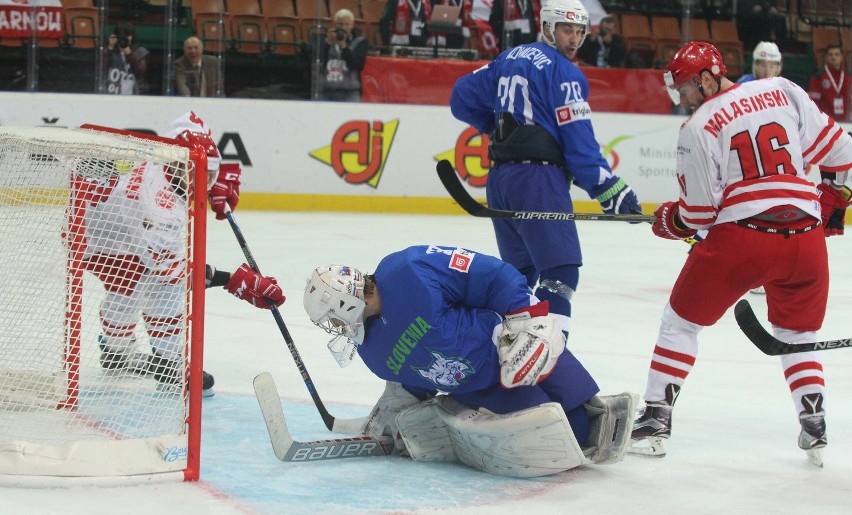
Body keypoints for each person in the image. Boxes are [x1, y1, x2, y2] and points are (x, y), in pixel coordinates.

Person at [629, 42, 852, 467]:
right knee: (798, 334)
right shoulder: (784, 90)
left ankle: (655, 420)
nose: (682, 99)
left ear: (708, 78)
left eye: (685, 89)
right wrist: (834, 198)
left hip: (745, 239)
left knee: (681, 323)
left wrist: (668, 222)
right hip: (807, 239)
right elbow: (844, 153)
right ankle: (814, 419)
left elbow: (697, 214)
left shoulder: (699, 126)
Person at [303, 245, 638, 476]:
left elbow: (488, 275)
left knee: (597, 422)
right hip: (482, 389)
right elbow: (412, 378)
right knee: (578, 434)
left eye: (332, 318)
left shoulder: (407, 269)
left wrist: (527, 317)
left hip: (510, 344)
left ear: (346, 301)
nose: (335, 328)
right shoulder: (370, 350)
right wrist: (394, 413)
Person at [449, 0, 641, 349]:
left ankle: (492, 349)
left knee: (519, 278)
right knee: (560, 274)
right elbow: (579, 143)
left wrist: (497, 125)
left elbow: (461, 96)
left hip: (502, 181)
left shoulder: (507, 58)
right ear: (548, 28)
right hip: (537, 182)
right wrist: (610, 189)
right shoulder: (565, 73)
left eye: (581, 31)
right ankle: (547, 361)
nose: (574, 39)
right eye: (567, 30)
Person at [83, 112, 285, 395]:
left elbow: (191, 122)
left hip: (115, 223)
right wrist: (232, 279)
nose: (204, 180)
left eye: (208, 173)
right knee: (151, 286)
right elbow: (175, 274)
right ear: (177, 165)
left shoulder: (174, 155)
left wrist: (215, 177)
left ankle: (116, 351)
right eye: (200, 174)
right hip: (102, 240)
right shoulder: (156, 206)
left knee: (133, 285)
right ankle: (165, 365)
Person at [318, 9, 369, 102]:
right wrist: (327, 44)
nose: (343, 27)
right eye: (340, 24)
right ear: (335, 25)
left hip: (349, 92)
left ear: (352, 25)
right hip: (326, 91)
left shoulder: (360, 42)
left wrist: (344, 47)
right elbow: (318, 63)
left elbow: (358, 64)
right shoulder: (323, 40)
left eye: (347, 24)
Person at [102, 22, 149, 95]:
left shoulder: (139, 51)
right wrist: (109, 48)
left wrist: (129, 54)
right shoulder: (110, 51)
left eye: (128, 35)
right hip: (111, 93)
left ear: (132, 36)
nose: (126, 38)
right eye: (123, 36)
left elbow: (140, 72)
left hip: (134, 93)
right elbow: (102, 70)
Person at [809, 44, 851, 123]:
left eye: (837, 54)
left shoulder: (849, 77)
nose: (833, 57)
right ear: (827, 57)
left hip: (847, 122)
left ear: (842, 57)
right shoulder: (818, 77)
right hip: (826, 122)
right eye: (830, 54)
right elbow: (813, 103)